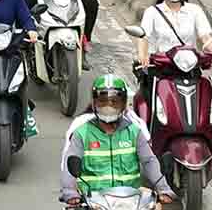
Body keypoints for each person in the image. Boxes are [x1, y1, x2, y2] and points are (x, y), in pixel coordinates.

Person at [60, 76, 174, 206]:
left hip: (131, 202)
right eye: (103, 102)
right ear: (94, 103)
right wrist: (70, 191)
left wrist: (162, 187)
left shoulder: (134, 132)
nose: (108, 107)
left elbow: (149, 161)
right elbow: (70, 162)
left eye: (114, 102)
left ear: (123, 104)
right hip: (94, 203)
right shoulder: (82, 133)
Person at [134, 0, 212, 88]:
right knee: (149, 94)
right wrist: (143, 55)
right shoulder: (152, 12)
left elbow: (205, 36)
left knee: (206, 90)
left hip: (189, 68)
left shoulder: (195, 10)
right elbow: (143, 37)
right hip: (161, 68)